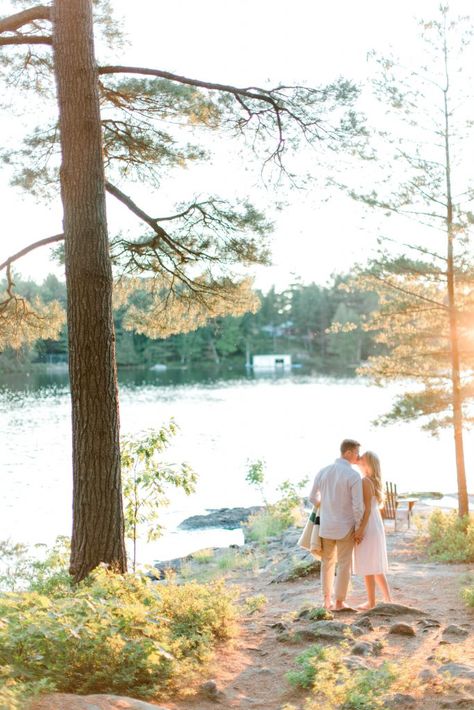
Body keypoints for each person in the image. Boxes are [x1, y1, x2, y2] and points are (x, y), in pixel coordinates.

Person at [309, 439, 364, 610]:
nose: (358, 456)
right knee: (344, 564)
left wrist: (324, 506)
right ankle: (339, 602)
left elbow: (312, 498)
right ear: (347, 453)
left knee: (327, 563)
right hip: (345, 527)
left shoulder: (323, 471)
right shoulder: (353, 475)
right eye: (356, 452)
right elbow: (357, 506)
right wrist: (358, 526)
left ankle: (326, 601)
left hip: (326, 526)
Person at [353, 451, 392, 609]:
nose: (359, 460)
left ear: (367, 464)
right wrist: (356, 461)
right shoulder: (374, 481)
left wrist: (360, 530)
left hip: (369, 524)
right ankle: (388, 600)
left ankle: (371, 602)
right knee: (375, 564)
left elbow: (367, 509)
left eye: (362, 459)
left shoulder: (365, 481)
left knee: (368, 564)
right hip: (376, 523)